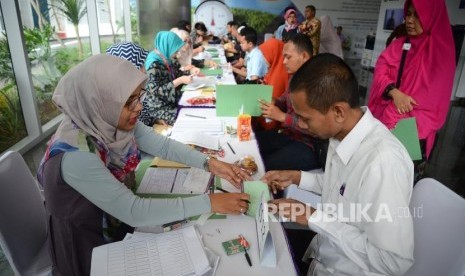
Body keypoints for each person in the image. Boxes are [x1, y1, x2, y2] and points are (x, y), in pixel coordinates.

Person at [38, 55, 251, 275]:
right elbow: (134, 211)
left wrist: (210, 163)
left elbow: (163, 146)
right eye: (129, 101)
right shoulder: (76, 156)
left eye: (139, 96)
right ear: (99, 101)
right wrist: (209, 203)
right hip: (86, 246)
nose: (139, 107)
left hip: (112, 221)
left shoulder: (103, 119)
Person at [263, 53, 414, 275]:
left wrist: (313, 217)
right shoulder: (341, 134)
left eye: (306, 118)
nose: (301, 125)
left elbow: (392, 261)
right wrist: (296, 177)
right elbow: (343, 188)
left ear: (338, 111)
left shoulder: (383, 162)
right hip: (323, 252)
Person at [368, 0, 455, 173]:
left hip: (413, 129)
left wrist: (392, 115)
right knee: (376, 172)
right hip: (386, 119)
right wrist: (394, 92)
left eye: (418, 15)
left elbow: (426, 101)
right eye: (408, 14)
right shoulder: (400, 43)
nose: (409, 20)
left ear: (431, 16)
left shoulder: (440, 51)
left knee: (398, 177)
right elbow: (381, 70)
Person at [256, 34, 322, 171]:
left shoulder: (317, 84)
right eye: (283, 57)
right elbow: (283, 101)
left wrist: (281, 116)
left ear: (304, 56)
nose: (284, 62)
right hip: (288, 135)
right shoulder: (295, 78)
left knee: (262, 165)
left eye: (288, 57)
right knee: (251, 145)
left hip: (308, 146)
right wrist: (272, 102)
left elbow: (316, 129)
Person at [139, 31, 196, 126]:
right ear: (167, 46)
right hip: (159, 108)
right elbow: (156, 91)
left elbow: (176, 73)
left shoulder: (166, 59)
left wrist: (190, 72)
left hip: (170, 101)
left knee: (193, 106)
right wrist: (180, 80)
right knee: (187, 120)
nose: (177, 54)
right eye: (176, 51)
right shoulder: (153, 65)